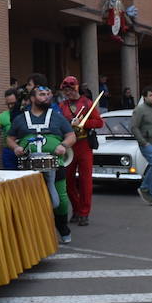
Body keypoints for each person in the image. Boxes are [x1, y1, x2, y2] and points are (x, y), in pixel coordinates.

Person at [8, 84, 77, 243]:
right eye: (41, 94)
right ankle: (33, 234)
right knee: (30, 200)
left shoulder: (57, 117)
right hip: (28, 166)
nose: (45, 97)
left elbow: (71, 136)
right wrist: (16, 147)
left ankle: (63, 229)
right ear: (32, 98)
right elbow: (10, 138)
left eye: (47, 94)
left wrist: (64, 146)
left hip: (55, 164)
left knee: (61, 199)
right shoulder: (20, 118)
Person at [58, 76, 104, 226]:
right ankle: (77, 209)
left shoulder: (87, 103)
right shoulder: (61, 106)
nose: (68, 93)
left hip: (84, 144)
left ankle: (84, 213)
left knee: (85, 181)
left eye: (70, 89)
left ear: (76, 88)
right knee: (68, 181)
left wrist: (84, 123)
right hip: (69, 146)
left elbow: (99, 122)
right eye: (65, 90)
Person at [0, 87, 21, 169]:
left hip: (23, 149)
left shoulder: (25, 114)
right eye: (8, 104)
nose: (10, 106)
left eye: (13, 103)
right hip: (8, 152)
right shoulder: (2, 116)